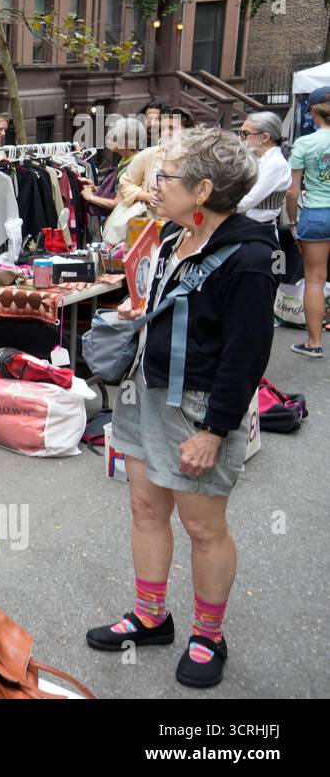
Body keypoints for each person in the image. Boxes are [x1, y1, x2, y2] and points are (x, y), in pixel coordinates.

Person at [91, 128, 275, 690]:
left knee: (203, 525)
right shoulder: (173, 236)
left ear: (201, 190)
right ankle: (151, 617)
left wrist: (215, 430)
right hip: (146, 390)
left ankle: (208, 635)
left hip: (197, 407)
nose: (153, 185)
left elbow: (246, 355)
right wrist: (134, 311)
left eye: (164, 177)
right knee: (146, 508)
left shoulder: (246, 257)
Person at [285, 86, 330, 359]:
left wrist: (292, 221)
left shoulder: (304, 143)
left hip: (315, 213)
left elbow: (292, 191)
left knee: (314, 279)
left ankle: (314, 343)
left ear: (313, 111)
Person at [78, 116, 148, 244]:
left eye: (115, 138)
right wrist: (96, 189)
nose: (110, 140)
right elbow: (119, 191)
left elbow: (118, 202)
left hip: (121, 231)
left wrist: (91, 197)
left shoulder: (134, 165)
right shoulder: (125, 160)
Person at [236, 111, 292, 231]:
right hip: (248, 225)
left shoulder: (275, 164)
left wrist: (216, 207)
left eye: (245, 133)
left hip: (258, 229)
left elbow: (247, 202)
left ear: (265, 137)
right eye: (240, 133)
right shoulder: (257, 158)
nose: (240, 138)